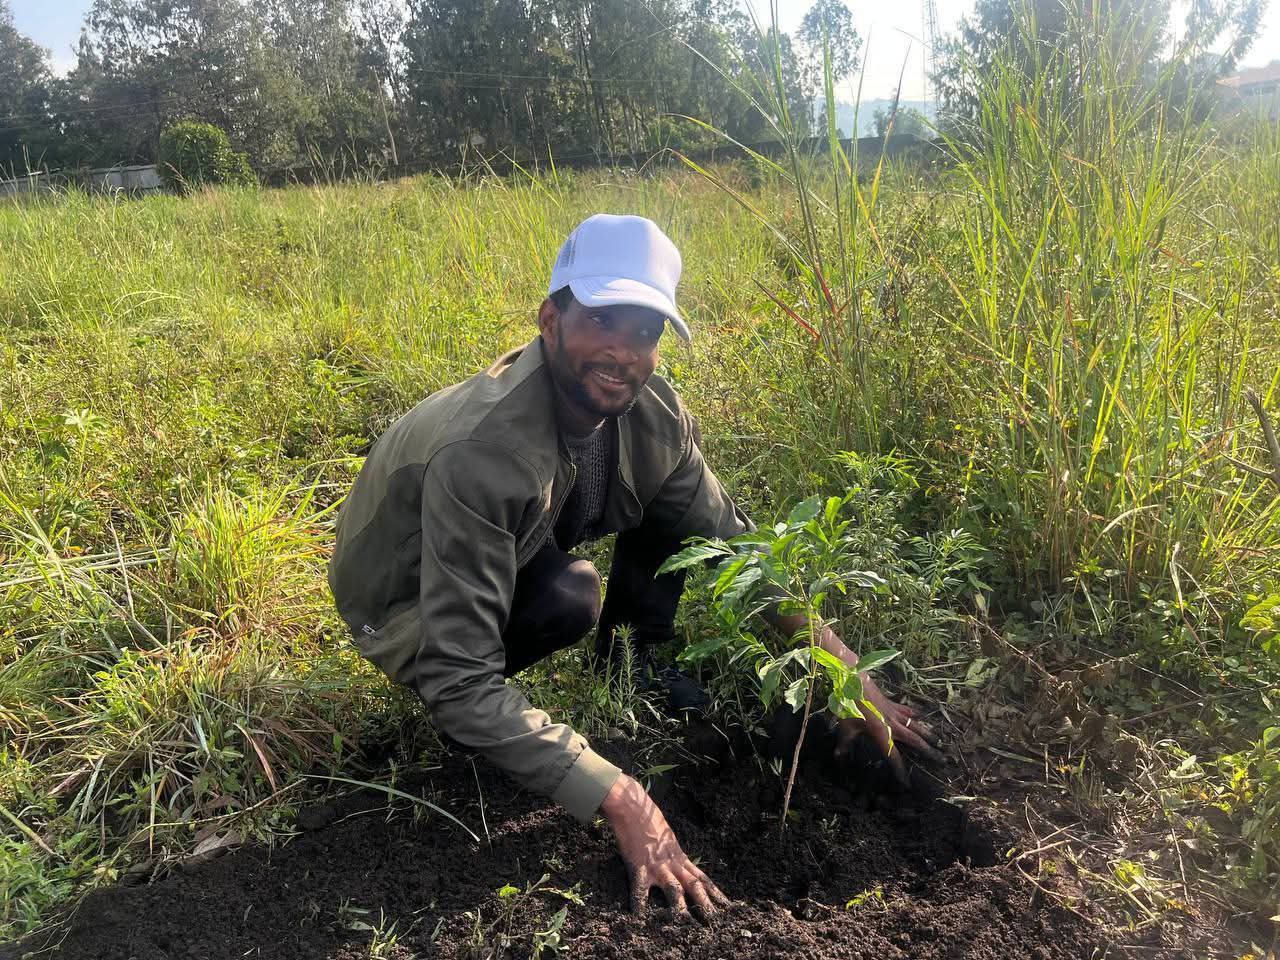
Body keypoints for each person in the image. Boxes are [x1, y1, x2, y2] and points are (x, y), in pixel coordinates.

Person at [328, 214, 938, 920]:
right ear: (550, 320)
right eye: (602, 320)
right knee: (567, 597)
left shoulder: (652, 416)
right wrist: (621, 796)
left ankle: (633, 660)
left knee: (676, 510)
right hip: (397, 596)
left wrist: (840, 667)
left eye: (645, 330)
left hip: (516, 532)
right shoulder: (483, 453)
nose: (623, 351)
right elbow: (456, 677)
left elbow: (731, 541)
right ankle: (501, 723)